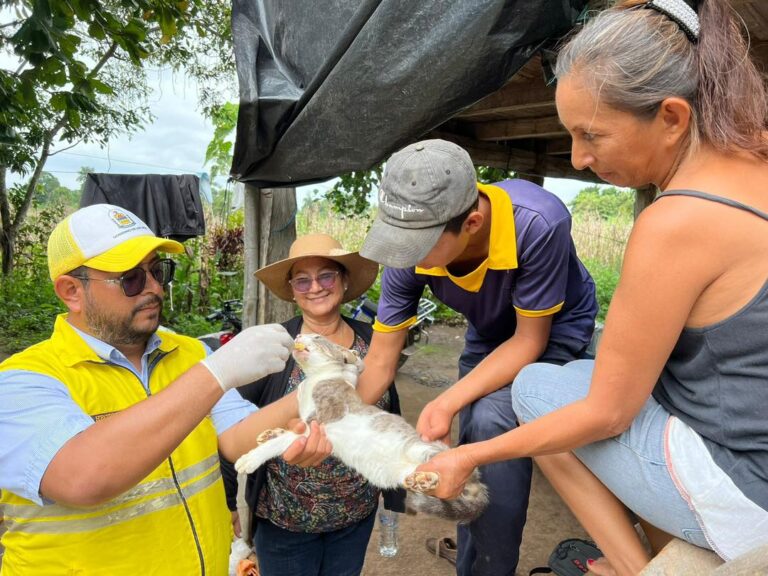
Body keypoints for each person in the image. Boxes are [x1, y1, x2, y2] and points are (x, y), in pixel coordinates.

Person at [416, 1, 768, 575]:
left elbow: (607, 413)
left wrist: (469, 454)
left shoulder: (676, 220)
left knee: (536, 388)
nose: (578, 159)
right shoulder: (755, 160)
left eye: (592, 135)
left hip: (748, 493)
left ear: (672, 117)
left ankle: (635, 567)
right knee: (591, 371)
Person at [0, 204, 330, 575]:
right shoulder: (22, 381)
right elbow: (81, 476)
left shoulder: (189, 354)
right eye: (131, 278)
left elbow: (238, 436)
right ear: (72, 291)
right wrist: (217, 372)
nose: (155, 288)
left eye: (158, 271)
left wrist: (313, 393)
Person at [356, 138, 598, 575]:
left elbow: (529, 341)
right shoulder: (412, 246)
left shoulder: (539, 223)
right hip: (488, 331)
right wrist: (330, 422)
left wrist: (445, 401)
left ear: (471, 223)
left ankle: (490, 567)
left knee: (489, 422)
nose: (404, 258)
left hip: (552, 330)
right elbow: (380, 361)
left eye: (416, 247)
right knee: (468, 449)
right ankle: (471, 558)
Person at [221, 233, 405, 576]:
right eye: (303, 280)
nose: (315, 287)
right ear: (292, 290)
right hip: (284, 522)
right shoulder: (274, 347)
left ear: (344, 281)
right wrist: (228, 502)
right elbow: (231, 426)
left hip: (355, 514)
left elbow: (387, 415)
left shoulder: (373, 343)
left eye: (326, 276)